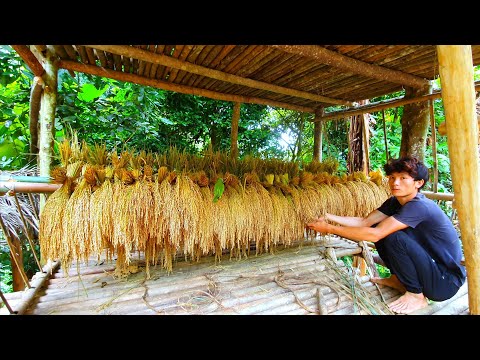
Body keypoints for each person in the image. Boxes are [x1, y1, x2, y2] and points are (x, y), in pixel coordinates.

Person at [306, 156, 466, 314]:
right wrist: (329, 217)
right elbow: (365, 222)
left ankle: (416, 295)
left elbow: (375, 235)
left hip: (445, 282)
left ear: (418, 183)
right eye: (392, 177)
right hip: (430, 271)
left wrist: (329, 228)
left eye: (403, 178)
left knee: (392, 236)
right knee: (382, 228)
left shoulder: (419, 206)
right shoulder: (395, 202)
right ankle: (398, 279)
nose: (395, 183)